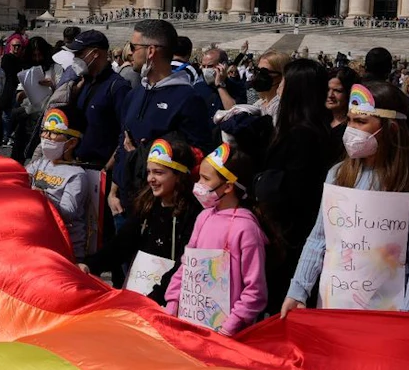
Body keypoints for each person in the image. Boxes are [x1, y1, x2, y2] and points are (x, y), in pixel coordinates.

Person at [281, 82, 409, 315]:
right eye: (350, 120)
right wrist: (298, 290)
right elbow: (319, 239)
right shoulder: (338, 174)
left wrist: (406, 314)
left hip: (388, 314)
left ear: (391, 129)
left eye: (361, 122)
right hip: (335, 304)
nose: (351, 128)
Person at [251, 58, 342, 308]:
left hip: (289, 239)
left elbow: (295, 192)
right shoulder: (314, 129)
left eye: (284, 83)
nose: (278, 87)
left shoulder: (303, 135)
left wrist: (261, 181)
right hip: (294, 235)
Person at [162, 143, 268, 335]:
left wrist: (228, 329)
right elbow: (186, 267)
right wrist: (172, 304)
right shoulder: (203, 217)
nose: (198, 184)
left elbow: (255, 291)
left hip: (227, 336)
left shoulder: (246, 228)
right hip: (191, 325)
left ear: (227, 186)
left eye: (205, 179)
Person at [115, 21, 217, 215]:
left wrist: (143, 155)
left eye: (133, 47)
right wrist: (114, 190)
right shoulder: (134, 94)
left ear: (151, 51)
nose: (129, 53)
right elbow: (123, 141)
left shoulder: (188, 99)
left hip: (162, 207)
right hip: (125, 202)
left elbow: (199, 153)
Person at [111, 137, 200, 302]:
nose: (150, 179)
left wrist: (156, 297)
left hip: (169, 301)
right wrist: (90, 265)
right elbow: (121, 244)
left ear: (179, 176)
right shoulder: (146, 204)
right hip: (140, 297)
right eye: (149, 171)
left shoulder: (193, 214)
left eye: (158, 173)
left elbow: (184, 264)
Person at [26, 109, 94, 262]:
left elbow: (68, 212)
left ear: (72, 142)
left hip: (66, 248)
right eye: (45, 131)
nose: (45, 137)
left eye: (53, 133)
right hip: (41, 240)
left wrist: (43, 198)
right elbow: (22, 179)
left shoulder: (76, 174)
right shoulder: (40, 163)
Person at [60, 30, 127, 172]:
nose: (74, 59)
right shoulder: (83, 82)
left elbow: (125, 134)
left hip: (100, 168)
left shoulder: (118, 87)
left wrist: (107, 168)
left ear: (95, 53)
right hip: (76, 164)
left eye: (79, 54)